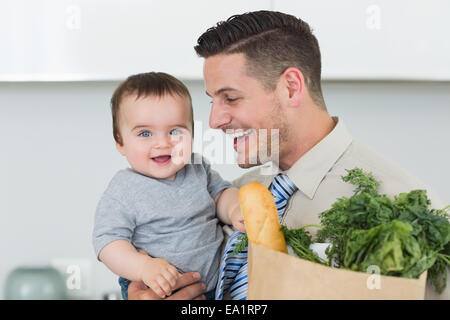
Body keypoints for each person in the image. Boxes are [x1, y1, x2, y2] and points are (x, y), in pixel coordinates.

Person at [125, 10, 449, 300]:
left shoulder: (405, 208)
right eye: (212, 100)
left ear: (291, 87)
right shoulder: (229, 196)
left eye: (231, 98)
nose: (214, 121)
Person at [92, 72, 245, 300]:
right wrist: (144, 267)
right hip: (160, 290)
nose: (163, 143)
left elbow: (221, 194)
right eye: (145, 133)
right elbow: (108, 243)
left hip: (219, 285)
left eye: (175, 131)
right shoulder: (123, 190)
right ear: (120, 142)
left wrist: (235, 209)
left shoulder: (197, 168)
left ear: (192, 133)